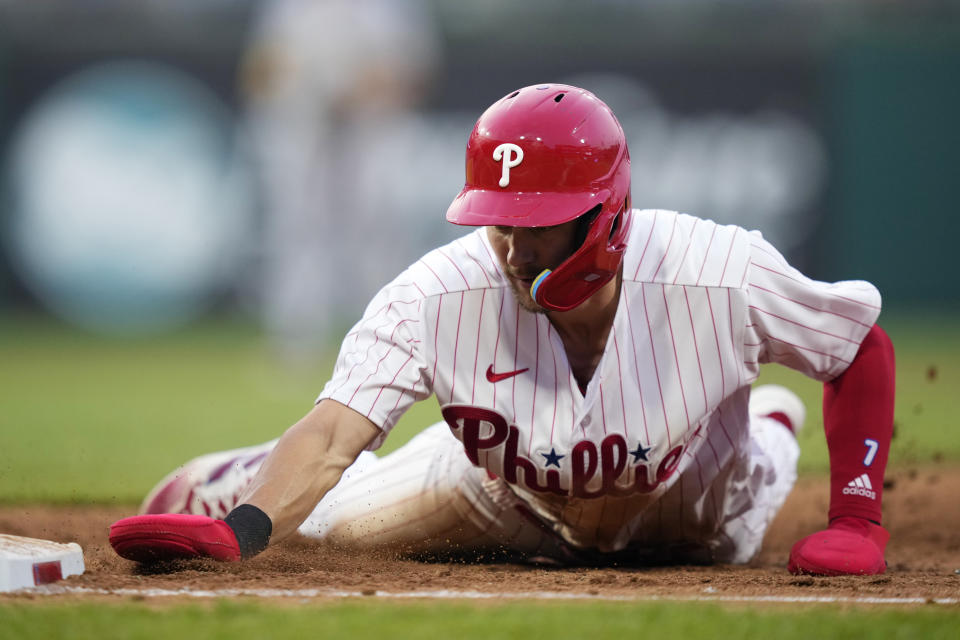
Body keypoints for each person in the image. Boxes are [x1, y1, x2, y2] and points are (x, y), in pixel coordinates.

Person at [110, 84, 895, 575]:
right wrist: (245, 528)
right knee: (334, 523)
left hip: (701, 511)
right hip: (504, 499)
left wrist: (858, 519)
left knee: (754, 452)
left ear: (606, 214)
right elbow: (332, 434)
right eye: (498, 224)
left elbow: (855, 345)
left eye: (541, 226)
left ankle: (764, 415)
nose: (516, 251)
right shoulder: (437, 293)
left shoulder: (717, 270)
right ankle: (230, 477)